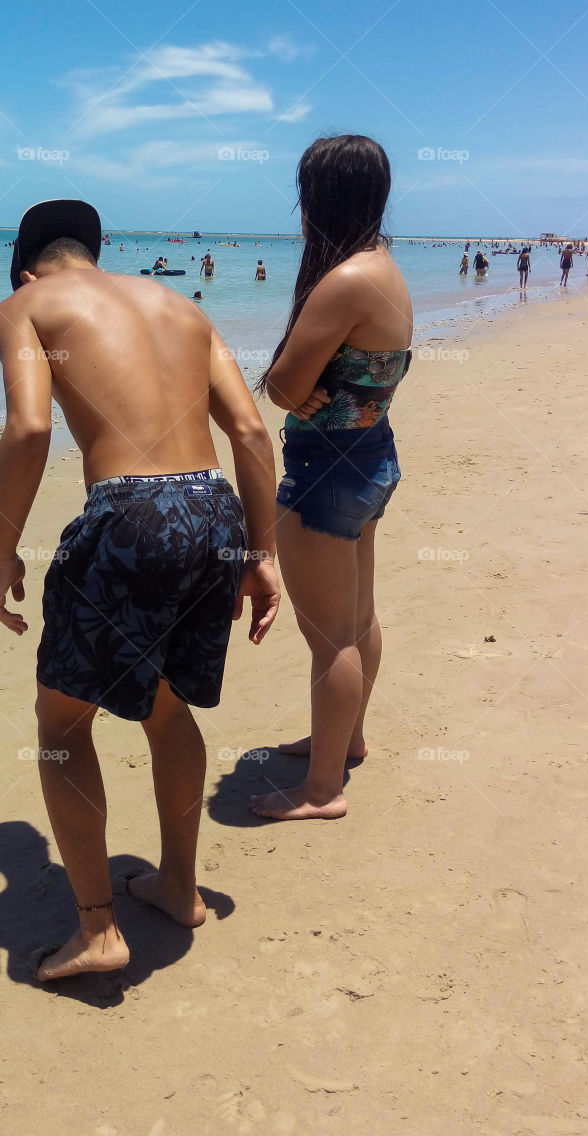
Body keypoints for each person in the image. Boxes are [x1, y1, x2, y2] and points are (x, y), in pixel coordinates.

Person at [0, 199, 280, 978]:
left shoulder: (24, 307)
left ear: (27, 271)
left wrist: (3, 552)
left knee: (61, 724)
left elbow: (29, 428)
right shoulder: (178, 305)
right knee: (167, 706)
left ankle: (97, 932)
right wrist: (262, 553)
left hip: (131, 514)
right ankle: (180, 886)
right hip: (214, 509)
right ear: (92, 254)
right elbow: (252, 433)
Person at [254, 135, 413, 821]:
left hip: (327, 470)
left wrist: (290, 385)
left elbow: (284, 385)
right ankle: (345, 740)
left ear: (318, 199)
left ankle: (322, 790)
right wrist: (303, 385)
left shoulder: (345, 278)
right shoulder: (384, 268)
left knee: (330, 638)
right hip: (371, 459)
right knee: (356, 620)